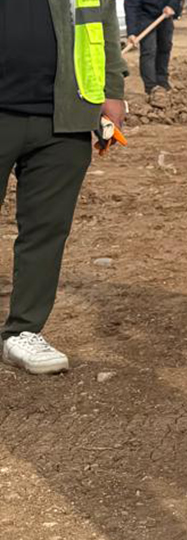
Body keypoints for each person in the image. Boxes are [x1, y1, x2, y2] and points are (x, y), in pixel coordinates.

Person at [1, 0, 127, 376]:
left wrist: (113, 90)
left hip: (65, 118)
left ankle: (23, 330)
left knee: (47, 231)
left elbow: (102, 24)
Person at [124, 0, 181, 94]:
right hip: (144, 16)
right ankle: (151, 86)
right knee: (149, 51)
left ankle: (162, 81)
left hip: (165, 13)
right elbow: (131, 5)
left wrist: (172, 6)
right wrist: (132, 32)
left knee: (165, 47)